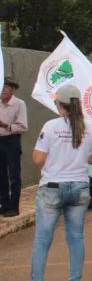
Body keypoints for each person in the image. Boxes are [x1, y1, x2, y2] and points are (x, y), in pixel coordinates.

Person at [30, 85, 92, 281]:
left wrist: (54, 156)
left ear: (59, 104)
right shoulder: (91, 127)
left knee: (43, 239)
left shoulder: (51, 126)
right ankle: (75, 278)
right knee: (76, 238)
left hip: (52, 188)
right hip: (80, 186)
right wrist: (79, 158)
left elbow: (37, 159)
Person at [0, 76, 27, 217]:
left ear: (12, 89)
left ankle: (13, 207)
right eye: (2, 86)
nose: (3, 90)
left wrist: (6, 125)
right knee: (1, 175)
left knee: (14, 175)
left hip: (12, 140)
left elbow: (23, 127)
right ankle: (3, 205)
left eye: (7, 87)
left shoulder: (19, 104)